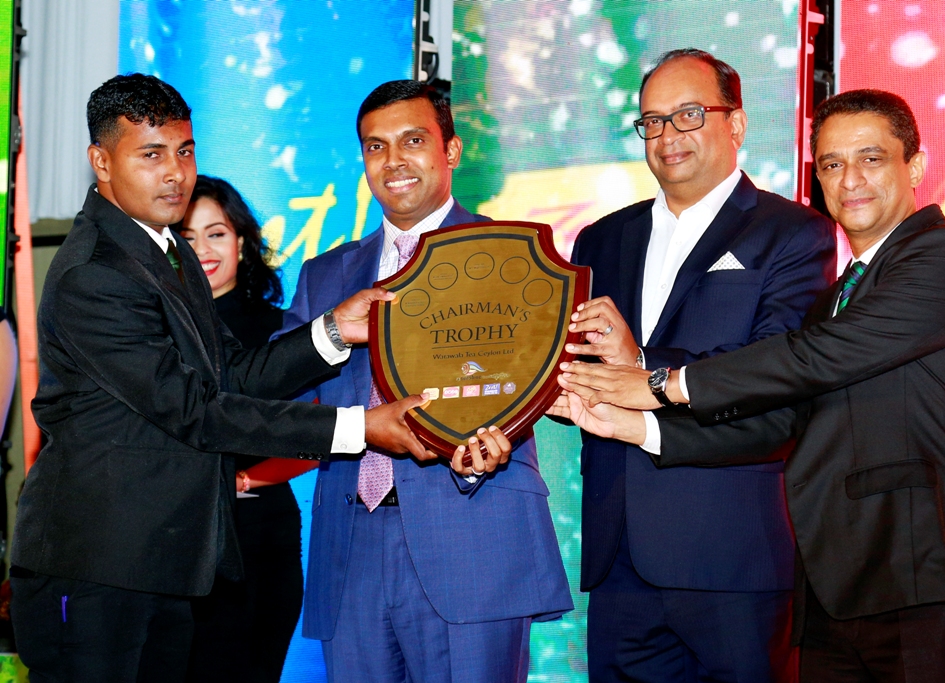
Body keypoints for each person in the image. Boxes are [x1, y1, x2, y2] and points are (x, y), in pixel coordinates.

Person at [554, 89, 945, 682]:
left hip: (922, 577)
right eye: (830, 164)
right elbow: (778, 420)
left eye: (871, 158)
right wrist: (632, 424)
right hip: (830, 590)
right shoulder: (836, 297)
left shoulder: (943, 257)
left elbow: (812, 358)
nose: (850, 179)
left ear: (915, 166)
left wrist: (662, 382)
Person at [9, 73, 433, 683]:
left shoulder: (165, 250)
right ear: (101, 161)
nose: (175, 172)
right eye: (151, 155)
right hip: (98, 567)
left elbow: (230, 371)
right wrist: (358, 428)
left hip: (168, 562)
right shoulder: (94, 272)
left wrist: (333, 330)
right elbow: (196, 409)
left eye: (185, 151)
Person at [277, 80, 574, 683]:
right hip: (350, 540)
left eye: (413, 141)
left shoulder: (513, 258)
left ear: (452, 151)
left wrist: (492, 444)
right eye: (375, 147)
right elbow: (279, 393)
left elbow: (539, 383)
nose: (394, 162)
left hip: (474, 531)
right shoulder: (325, 276)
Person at [564, 49, 835, 682]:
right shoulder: (599, 240)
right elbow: (581, 367)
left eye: (688, 114)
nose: (667, 136)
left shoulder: (794, 233)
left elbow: (774, 374)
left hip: (731, 556)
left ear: (736, 124)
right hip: (619, 557)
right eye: (652, 121)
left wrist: (640, 365)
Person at [173, 175, 302, 682]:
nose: (202, 249)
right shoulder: (151, 328)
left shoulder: (283, 329)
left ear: (242, 241)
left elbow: (315, 436)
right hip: (176, 540)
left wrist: (246, 481)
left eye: (217, 233)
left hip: (258, 538)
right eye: (187, 237)